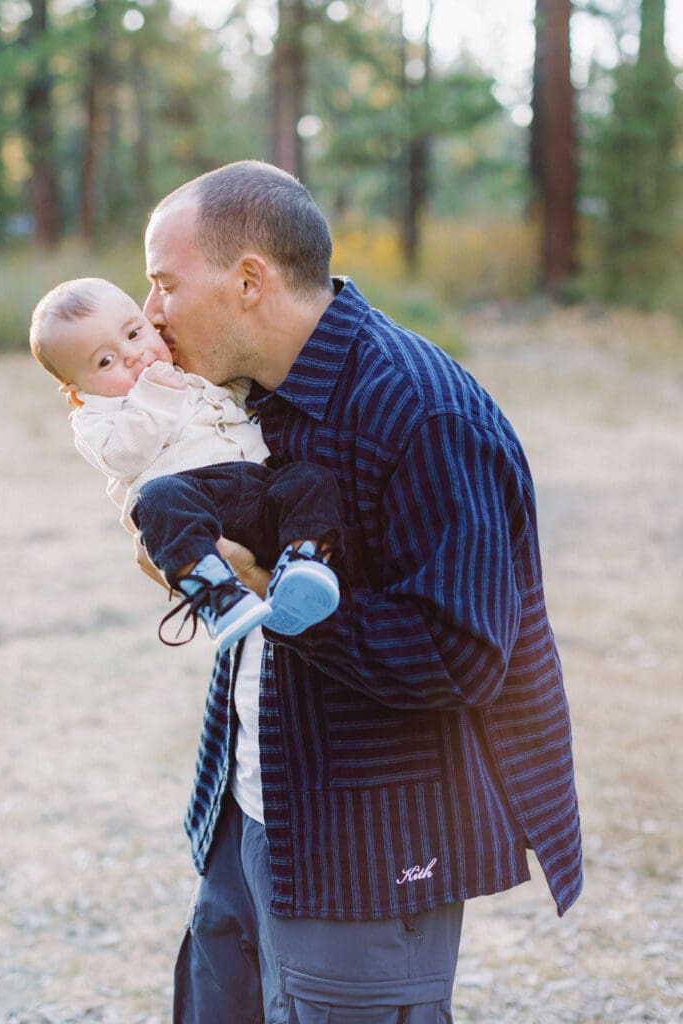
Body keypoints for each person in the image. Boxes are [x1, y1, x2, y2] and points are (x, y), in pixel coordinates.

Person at [138, 160, 583, 1023]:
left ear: (250, 280)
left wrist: (260, 580)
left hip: (371, 851)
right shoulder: (249, 398)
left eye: (163, 284)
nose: (150, 312)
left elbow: (461, 656)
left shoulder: (421, 412)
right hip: (249, 812)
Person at [29, 277, 344, 653]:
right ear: (75, 390)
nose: (131, 355)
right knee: (156, 499)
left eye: (134, 333)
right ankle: (216, 595)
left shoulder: (189, 371)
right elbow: (121, 456)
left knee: (309, 479)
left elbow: (244, 385)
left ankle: (301, 563)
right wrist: (155, 396)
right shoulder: (97, 413)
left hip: (257, 492)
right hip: (190, 505)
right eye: (105, 360)